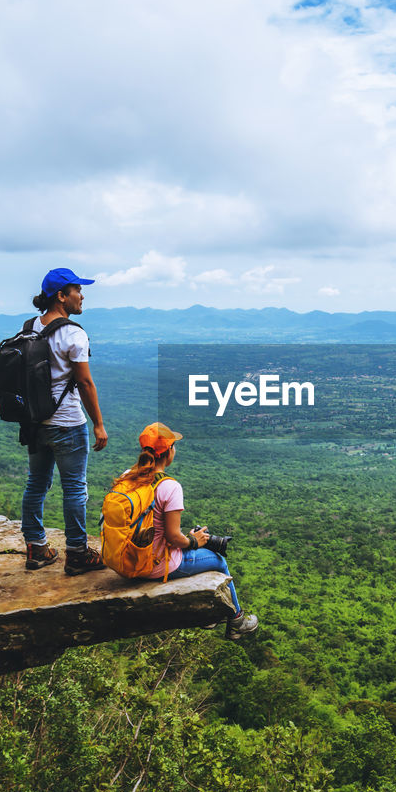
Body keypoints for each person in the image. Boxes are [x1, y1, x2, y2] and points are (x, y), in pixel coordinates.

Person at [116, 422, 258, 640]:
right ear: (169, 452)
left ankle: (211, 618)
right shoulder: (170, 486)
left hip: (126, 559)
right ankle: (237, 620)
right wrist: (193, 541)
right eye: (174, 445)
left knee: (201, 552)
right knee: (219, 561)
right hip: (155, 565)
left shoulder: (128, 476)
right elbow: (173, 537)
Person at [22, 268, 109, 575]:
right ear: (61, 296)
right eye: (77, 290)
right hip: (68, 424)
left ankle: (36, 548)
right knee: (74, 488)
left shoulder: (31, 326)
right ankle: (77, 553)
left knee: (36, 484)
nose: (82, 295)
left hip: (35, 423)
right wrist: (99, 424)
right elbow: (85, 384)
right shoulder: (73, 333)